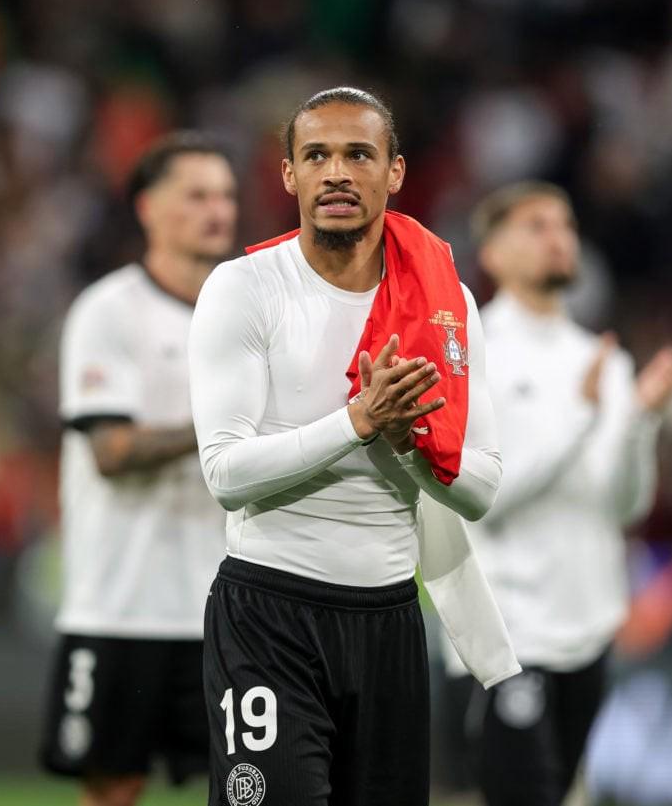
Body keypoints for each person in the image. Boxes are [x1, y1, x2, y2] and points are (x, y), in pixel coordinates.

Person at [187, 87, 511, 806]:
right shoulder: (244, 289)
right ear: (288, 175)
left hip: (391, 621)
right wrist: (357, 421)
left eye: (358, 154)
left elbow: (481, 489)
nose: (336, 172)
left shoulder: (447, 304)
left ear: (395, 172)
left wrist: (405, 441)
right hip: (269, 612)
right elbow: (225, 473)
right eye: (317, 156)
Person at [445, 182, 672, 806]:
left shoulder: (603, 360)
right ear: (493, 253)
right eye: (536, 226)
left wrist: (639, 421)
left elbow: (625, 506)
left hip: (589, 626)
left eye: (566, 224)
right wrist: (579, 419)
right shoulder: (474, 351)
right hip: (508, 634)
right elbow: (484, 497)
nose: (558, 237)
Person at [39, 133, 238, 806]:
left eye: (225, 195)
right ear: (149, 208)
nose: (218, 210)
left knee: (252, 783)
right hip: (123, 602)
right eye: (197, 195)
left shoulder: (246, 314)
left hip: (227, 606)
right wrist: (226, 430)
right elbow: (112, 452)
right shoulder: (109, 310)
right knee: (114, 787)